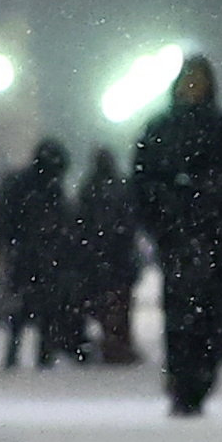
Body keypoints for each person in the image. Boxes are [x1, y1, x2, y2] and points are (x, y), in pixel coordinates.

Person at [126, 56, 222, 415]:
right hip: (183, 232)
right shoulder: (176, 130)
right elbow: (143, 182)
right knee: (186, 309)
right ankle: (186, 380)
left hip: (203, 231)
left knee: (206, 309)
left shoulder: (214, 130)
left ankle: (194, 377)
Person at [0, 138, 78, 365]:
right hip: (37, 256)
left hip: (26, 255)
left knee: (22, 308)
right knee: (43, 309)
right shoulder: (48, 188)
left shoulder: (22, 185)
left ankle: (19, 354)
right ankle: (42, 355)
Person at [75, 145, 142, 365]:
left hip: (97, 257)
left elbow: (82, 222)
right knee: (120, 304)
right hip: (119, 257)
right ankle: (120, 344)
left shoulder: (89, 188)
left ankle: (111, 343)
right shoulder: (121, 187)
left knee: (105, 304)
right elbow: (130, 220)